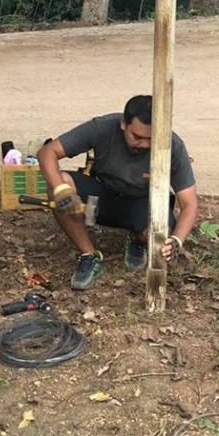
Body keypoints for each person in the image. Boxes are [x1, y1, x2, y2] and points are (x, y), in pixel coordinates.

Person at [37, 94, 198, 290]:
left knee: (161, 237)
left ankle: (137, 237)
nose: (145, 144)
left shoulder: (173, 145)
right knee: (58, 182)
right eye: (137, 137)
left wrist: (177, 240)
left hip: (143, 203)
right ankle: (90, 255)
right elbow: (47, 152)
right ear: (123, 123)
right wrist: (61, 190)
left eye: (151, 139)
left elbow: (189, 204)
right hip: (103, 197)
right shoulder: (102, 127)